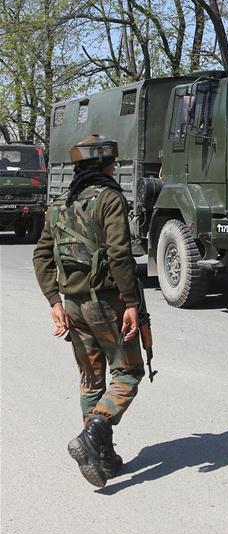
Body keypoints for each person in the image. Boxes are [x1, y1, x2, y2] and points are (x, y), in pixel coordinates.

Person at [33, 135, 146, 488]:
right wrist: (131, 303)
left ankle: (102, 460)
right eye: (112, 164)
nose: (114, 168)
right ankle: (95, 432)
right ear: (104, 166)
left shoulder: (59, 205)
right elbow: (119, 255)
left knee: (91, 381)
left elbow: (41, 256)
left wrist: (54, 302)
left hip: (73, 307)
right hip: (106, 304)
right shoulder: (109, 199)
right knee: (127, 374)